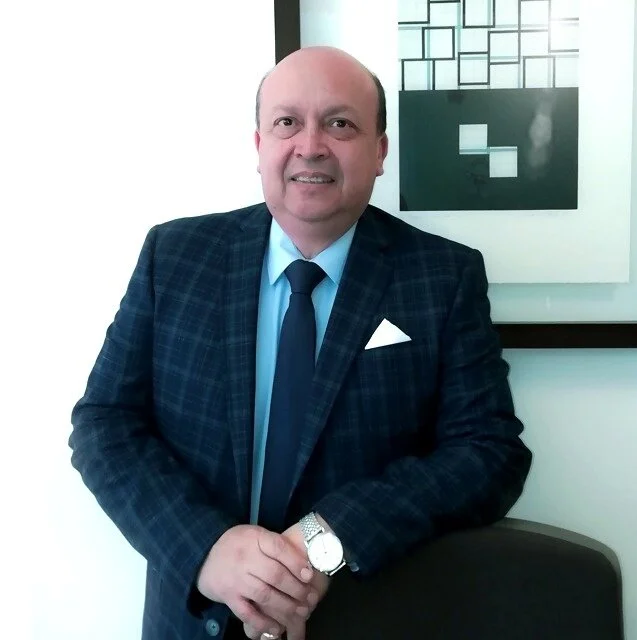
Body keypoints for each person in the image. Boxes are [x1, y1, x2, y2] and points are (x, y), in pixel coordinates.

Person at [70, 46, 532, 640]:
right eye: (287, 122)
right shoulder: (175, 256)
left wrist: (329, 535)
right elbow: (105, 423)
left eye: (340, 124)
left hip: (360, 617)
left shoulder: (443, 277)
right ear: (259, 144)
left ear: (380, 151)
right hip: (192, 621)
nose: (310, 146)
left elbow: (489, 453)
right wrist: (206, 547)